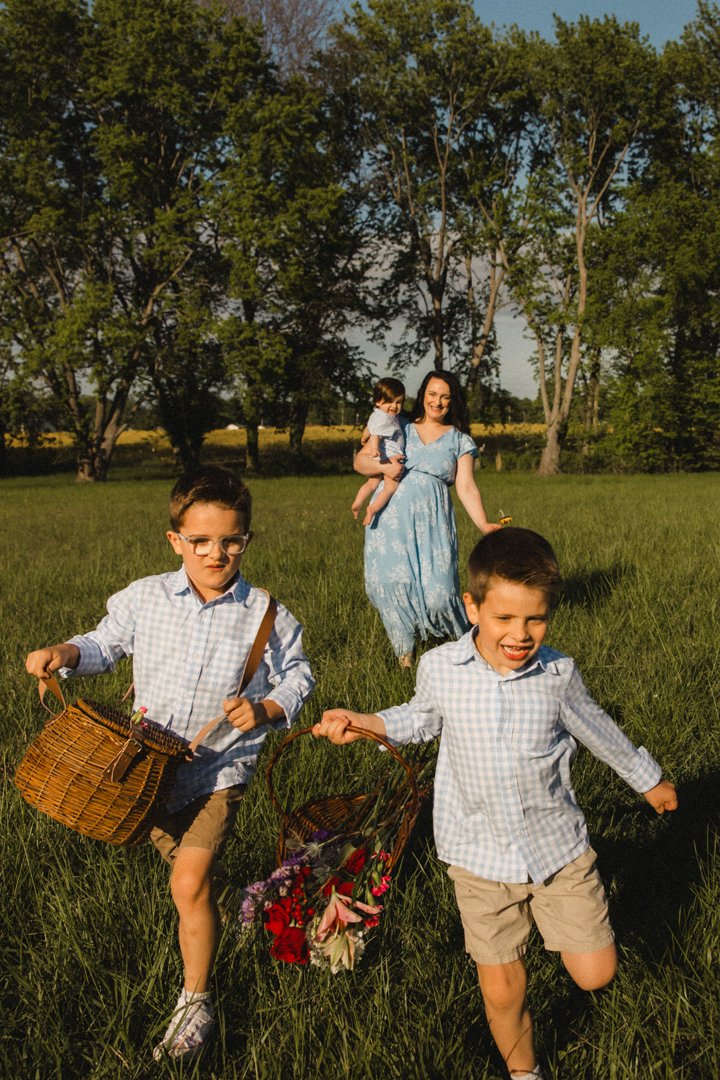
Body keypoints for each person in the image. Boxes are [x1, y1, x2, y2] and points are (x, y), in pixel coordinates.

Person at [313, 527, 678, 1080]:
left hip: (557, 850)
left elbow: (600, 731)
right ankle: (524, 1071)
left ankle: (562, 928)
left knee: (595, 974)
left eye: (535, 619)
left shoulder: (558, 675)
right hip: (478, 854)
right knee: (502, 987)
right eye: (504, 618)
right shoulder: (442, 668)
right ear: (472, 606)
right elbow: (419, 717)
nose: (520, 633)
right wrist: (368, 724)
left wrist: (647, 779)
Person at [25, 465, 315, 1063]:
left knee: (186, 882)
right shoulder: (146, 597)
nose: (217, 553)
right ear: (175, 540)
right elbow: (106, 645)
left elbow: (299, 676)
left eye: (231, 540)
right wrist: (66, 653)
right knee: (194, 880)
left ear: (247, 540)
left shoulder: (266, 615)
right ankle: (243, 900)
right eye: (201, 541)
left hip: (219, 771)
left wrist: (267, 706)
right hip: (148, 771)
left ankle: (195, 1004)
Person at [354, 368, 500, 668]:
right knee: (393, 584)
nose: (437, 402)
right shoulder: (398, 425)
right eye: (432, 394)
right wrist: (384, 470)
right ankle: (404, 657)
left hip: (433, 524)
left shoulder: (459, 440)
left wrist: (484, 524)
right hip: (390, 519)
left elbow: (466, 486)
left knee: (440, 592)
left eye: (445, 397)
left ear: (452, 401)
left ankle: (469, 649)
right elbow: (361, 461)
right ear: (422, 397)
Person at [351, 376, 407, 526]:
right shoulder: (387, 418)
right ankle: (373, 509)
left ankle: (358, 501)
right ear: (378, 401)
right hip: (388, 457)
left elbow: (371, 428)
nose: (394, 406)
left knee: (372, 483)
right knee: (391, 487)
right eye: (389, 402)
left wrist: (365, 434)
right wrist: (374, 448)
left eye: (398, 402)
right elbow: (377, 434)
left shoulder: (378, 413)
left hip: (381, 456)